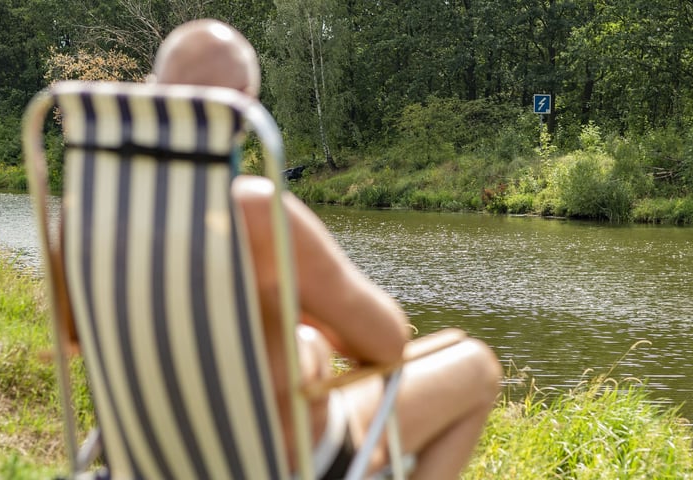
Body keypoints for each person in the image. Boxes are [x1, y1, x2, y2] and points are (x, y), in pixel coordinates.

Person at [150, 19, 502, 480]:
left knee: (311, 342)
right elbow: (386, 341)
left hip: (154, 456)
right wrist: (314, 338)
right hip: (278, 458)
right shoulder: (254, 210)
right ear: (245, 105)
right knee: (475, 365)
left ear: (153, 94)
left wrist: (305, 343)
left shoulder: (86, 212)